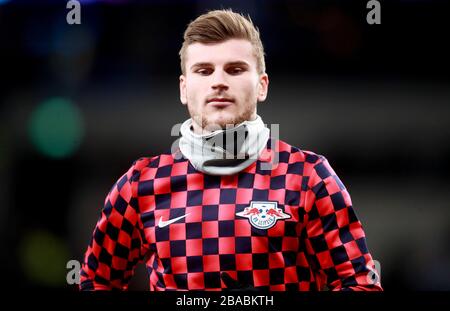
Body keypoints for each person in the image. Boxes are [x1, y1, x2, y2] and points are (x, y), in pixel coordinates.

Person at [80, 9, 382, 291]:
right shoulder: (141, 185)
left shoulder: (308, 178)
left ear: (262, 85)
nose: (219, 82)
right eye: (204, 70)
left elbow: (359, 282)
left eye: (235, 69)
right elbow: (95, 280)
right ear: (184, 88)